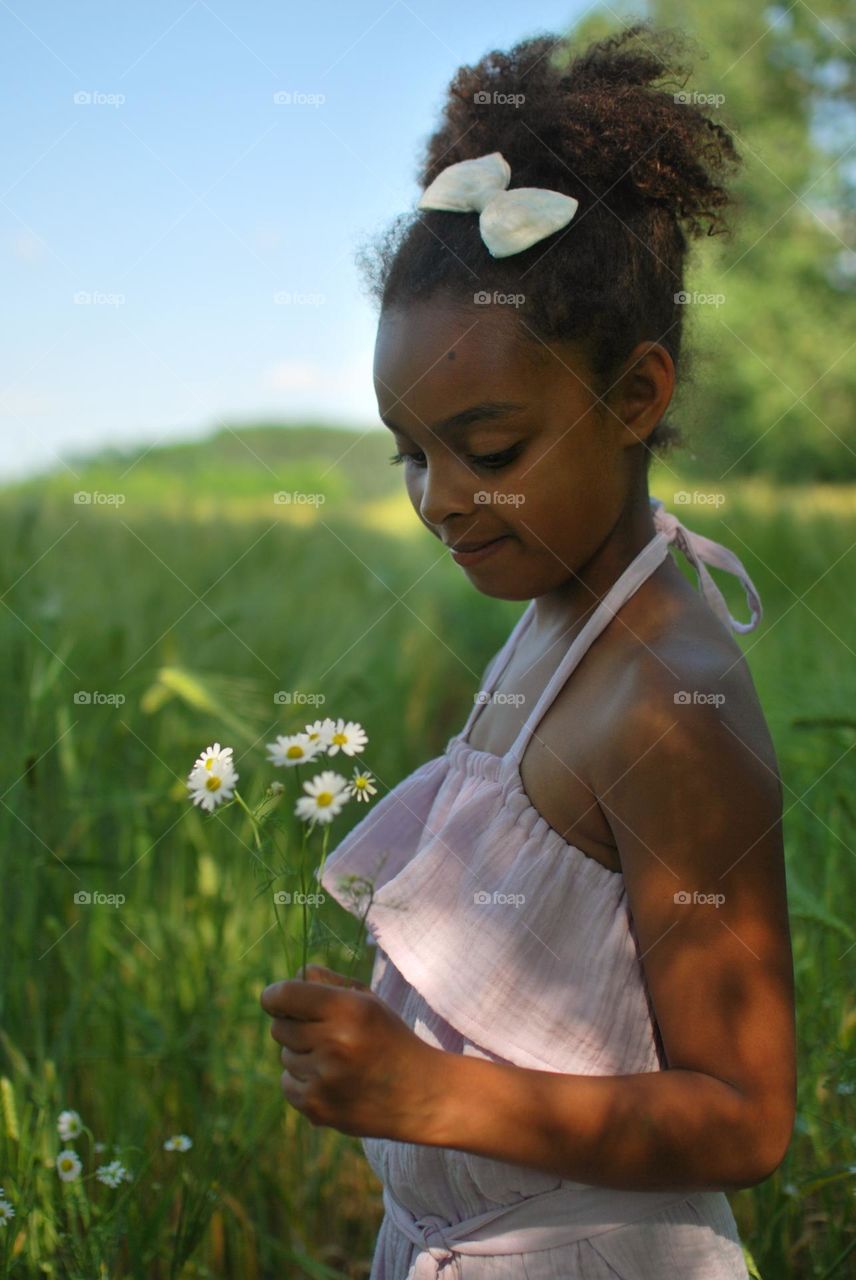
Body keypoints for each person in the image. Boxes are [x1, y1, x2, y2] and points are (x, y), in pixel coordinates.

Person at [260, 21, 796, 1279]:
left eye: (488, 449)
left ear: (635, 395)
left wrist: (435, 1093)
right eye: (410, 447)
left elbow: (747, 1114)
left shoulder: (674, 701)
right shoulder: (556, 616)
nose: (439, 496)